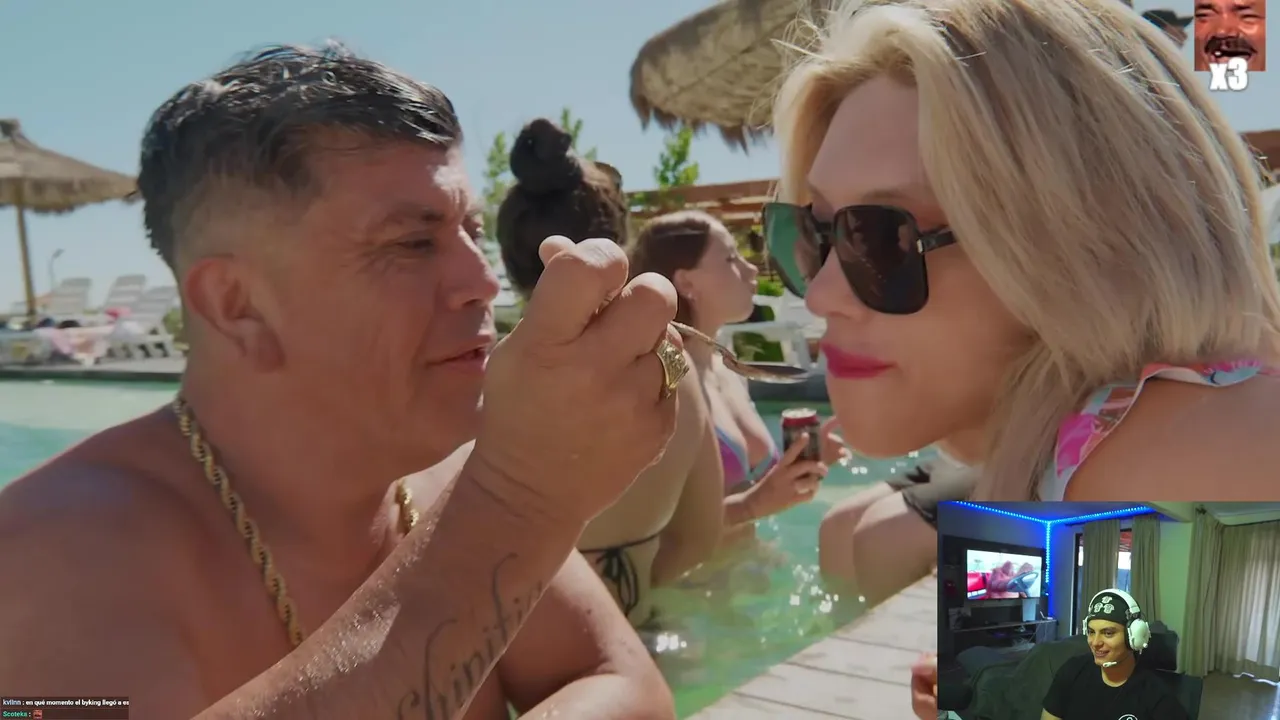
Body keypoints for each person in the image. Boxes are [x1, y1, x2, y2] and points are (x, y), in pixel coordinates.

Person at [0, 45, 682, 720]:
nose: (482, 281)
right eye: (412, 243)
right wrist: (523, 503)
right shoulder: (44, 559)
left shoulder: (446, 477)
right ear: (238, 305)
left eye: (471, 231)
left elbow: (626, 683)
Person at [767, 0, 1280, 505]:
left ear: (1083, 245)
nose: (820, 296)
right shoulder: (1085, 464)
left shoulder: (1176, 460)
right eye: (817, 233)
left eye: (883, 238)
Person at [494, 117, 725, 632]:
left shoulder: (489, 385)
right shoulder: (675, 366)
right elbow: (699, 537)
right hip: (642, 637)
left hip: (513, 659)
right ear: (618, 245)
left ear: (511, 262)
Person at [627, 211, 848, 551]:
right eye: (731, 258)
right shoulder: (663, 382)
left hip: (749, 570)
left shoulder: (727, 370)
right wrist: (752, 506)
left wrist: (796, 470)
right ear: (687, 283)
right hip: (691, 582)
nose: (751, 269)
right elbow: (643, 529)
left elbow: (749, 492)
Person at [818, 454, 971, 604]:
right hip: (965, 458)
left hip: (984, 471)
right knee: (841, 525)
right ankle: (847, 616)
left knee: (883, 535)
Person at [1042, 589, 1190, 720]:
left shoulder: (1156, 696)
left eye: (1108, 633)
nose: (1095, 642)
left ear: (1133, 637)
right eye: (1091, 632)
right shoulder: (1071, 671)